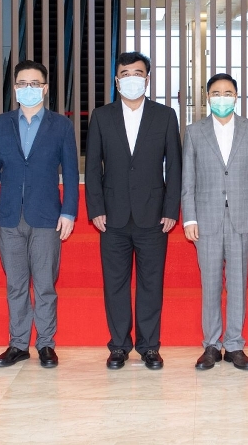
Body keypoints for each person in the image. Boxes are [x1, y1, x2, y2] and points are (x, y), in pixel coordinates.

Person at [85, 52, 182, 370]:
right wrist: (96, 208)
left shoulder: (165, 116)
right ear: (116, 81)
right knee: (115, 283)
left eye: (137, 73)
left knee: (151, 283)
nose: (131, 79)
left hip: (154, 216)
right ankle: (118, 346)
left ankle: (149, 346)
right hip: (111, 216)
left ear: (147, 79)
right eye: (125, 74)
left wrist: (171, 208)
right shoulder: (102, 116)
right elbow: (93, 166)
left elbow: (175, 166)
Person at [0, 60, 79, 369]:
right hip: (9, 215)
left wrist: (69, 212)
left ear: (45, 88)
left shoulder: (61, 125)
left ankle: (46, 344)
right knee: (16, 284)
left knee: (45, 284)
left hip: (47, 216)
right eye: (22, 83)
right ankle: (18, 344)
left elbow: (71, 174)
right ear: (14, 88)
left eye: (35, 83)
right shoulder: (1, 124)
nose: (28, 88)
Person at [181, 73, 248, 371]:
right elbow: (188, 179)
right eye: (216, 93)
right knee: (210, 284)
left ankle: (235, 345)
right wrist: (189, 217)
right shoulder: (194, 132)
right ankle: (211, 345)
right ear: (208, 97)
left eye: (227, 93)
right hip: (206, 219)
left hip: (241, 217)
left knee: (238, 284)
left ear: (236, 96)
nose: (222, 98)